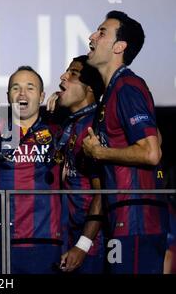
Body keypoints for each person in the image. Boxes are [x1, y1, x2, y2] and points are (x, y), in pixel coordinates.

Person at [83, 10, 168, 274]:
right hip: (121, 218)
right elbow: (156, 138)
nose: (92, 36)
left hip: (137, 221)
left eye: (101, 31)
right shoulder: (111, 93)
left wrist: (99, 152)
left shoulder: (127, 86)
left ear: (120, 46)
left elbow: (151, 153)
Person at [0, 66, 62, 274]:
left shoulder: (58, 132)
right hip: (1, 242)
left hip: (45, 242)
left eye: (30, 87)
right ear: (8, 96)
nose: (22, 94)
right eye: (15, 88)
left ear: (42, 95)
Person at [46, 55, 105, 273]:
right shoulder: (70, 125)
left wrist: (83, 245)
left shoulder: (96, 126)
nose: (63, 77)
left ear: (90, 87)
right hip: (70, 235)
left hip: (93, 241)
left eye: (72, 73)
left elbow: (103, 192)